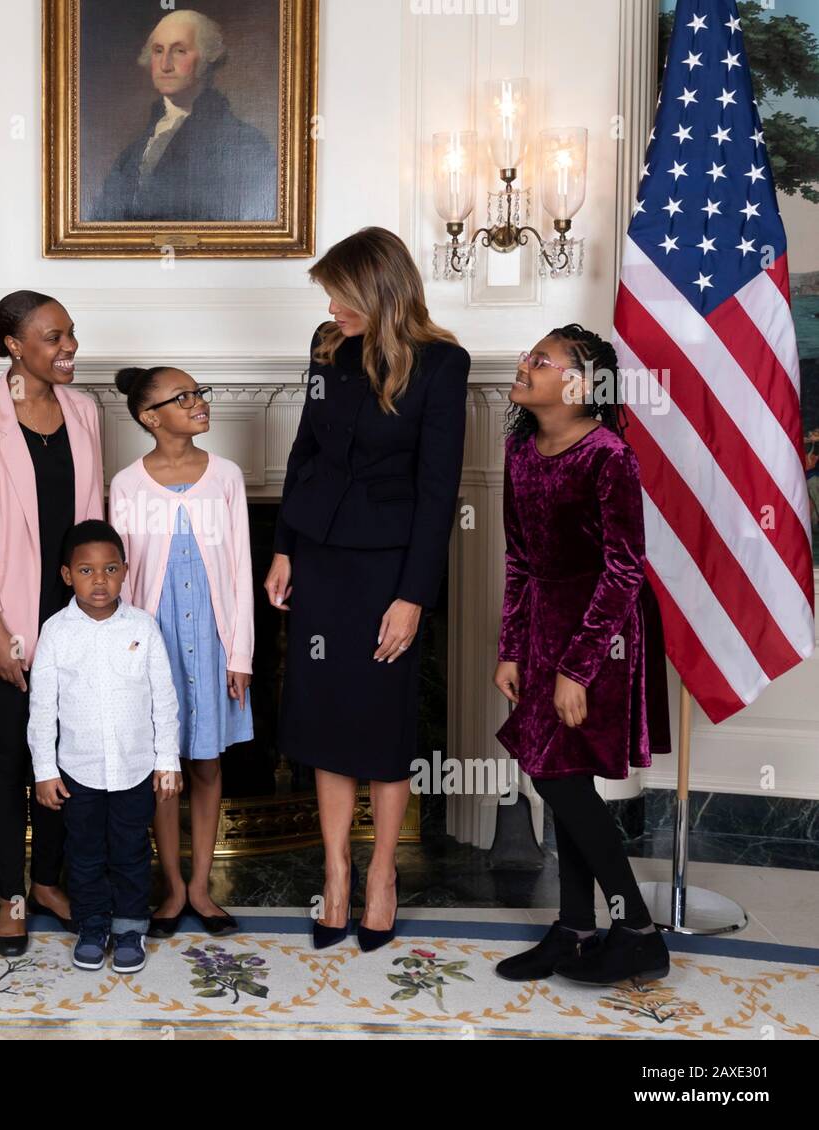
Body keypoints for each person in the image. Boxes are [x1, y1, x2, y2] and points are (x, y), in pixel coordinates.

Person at [263, 226, 469, 952]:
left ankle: (382, 874)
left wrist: (414, 596)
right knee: (321, 721)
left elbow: (438, 491)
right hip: (319, 560)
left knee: (381, 725)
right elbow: (305, 452)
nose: (330, 304)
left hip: (388, 570)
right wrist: (284, 546)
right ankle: (337, 874)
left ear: (377, 289)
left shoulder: (443, 364)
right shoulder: (327, 347)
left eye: (340, 292)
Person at [492, 325, 672, 986]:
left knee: (560, 777)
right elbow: (518, 558)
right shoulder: (520, 448)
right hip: (540, 631)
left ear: (581, 385)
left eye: (540, 359)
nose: (524, 363)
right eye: (527, 353)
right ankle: (574, 929)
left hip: (601, 636)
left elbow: (625, 572)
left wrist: (577, 668)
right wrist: (512, 648)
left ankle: (638, 931)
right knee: (562, 775)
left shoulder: (607, 455)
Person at [0, 290, 104, 955]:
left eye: (70, 333)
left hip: (72, 621)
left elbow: (93, 522)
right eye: (52, 337)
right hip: (1, 624)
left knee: (64, 757)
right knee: (10, 761)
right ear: (13, 345)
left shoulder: (86, 410)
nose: (68, 347)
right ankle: (11, 893)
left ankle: (47, 882)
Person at [108, 365, 253, 937]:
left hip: (213, 644)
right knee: (162, 766)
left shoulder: (227, 477)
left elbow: (240, 568)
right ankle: (170, 888)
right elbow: (120, 581)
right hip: (153, 647)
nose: (198, 402)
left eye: (200, 392)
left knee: (207, 761)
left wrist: (239, 653)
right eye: (183, 396)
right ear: (150, 417)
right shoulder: (126, 485)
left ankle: (201, 885)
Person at [27, 520, 182, 974]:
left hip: (136, 768)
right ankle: (93, 924)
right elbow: (42, 707)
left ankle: (131, 927)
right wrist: (44, 771)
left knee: (132, 849)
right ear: (66, 575)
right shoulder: (56, 632)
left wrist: (167, 761)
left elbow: (164, 700)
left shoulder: (144, 627)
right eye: (87, 571)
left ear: (125, 571)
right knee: (86, 851)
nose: (100, 580)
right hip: (78, 772)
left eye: (110, 569)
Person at [91, 8, 276, 222]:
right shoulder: (132, 153)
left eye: (179, 51)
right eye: (158, 51)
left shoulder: (247, 144)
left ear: (208, 57)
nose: (165, 65)